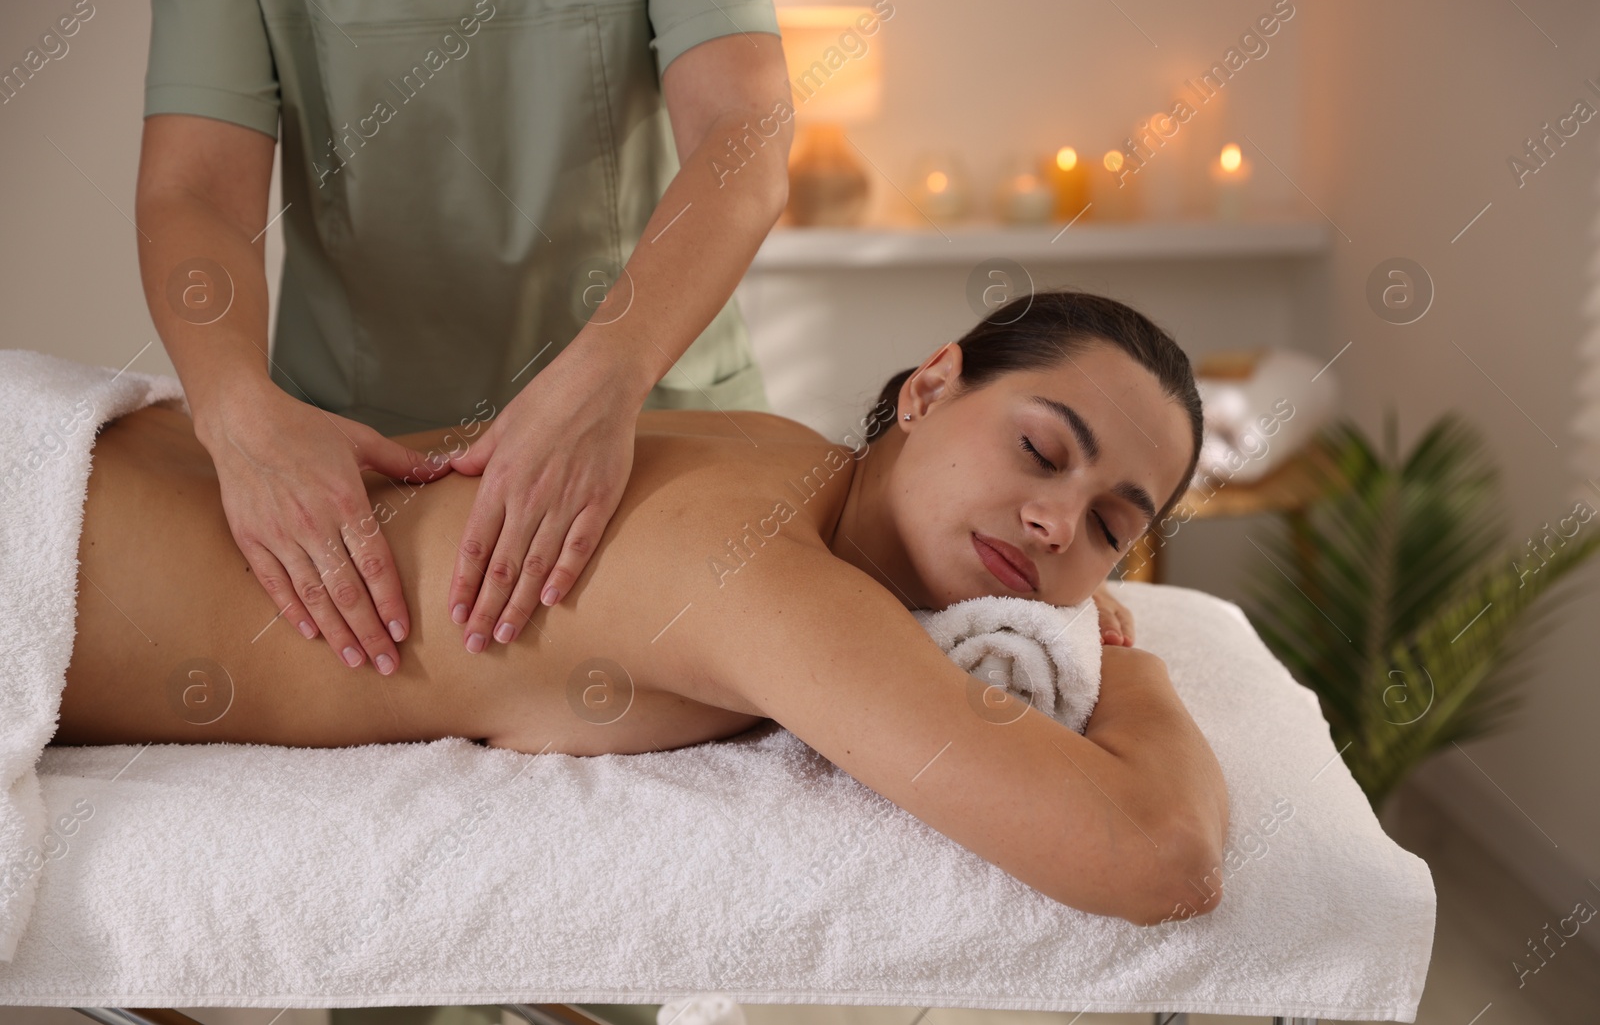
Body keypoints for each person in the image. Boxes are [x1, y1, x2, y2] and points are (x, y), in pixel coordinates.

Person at [55, 291, 1227, 930]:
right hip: (49, 530)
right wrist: (1142, 672)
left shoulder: (789, 462)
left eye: (1111, 529)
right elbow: (1158, 859)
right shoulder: (765, 575)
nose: (1053, 525)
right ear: (928, 386)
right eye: (1039, 449)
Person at [134, 0, 795, 696]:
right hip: (354, 480)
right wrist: (231, 410)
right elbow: (193, 190)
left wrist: (611, 373)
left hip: (647, 434)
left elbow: (742, 126)